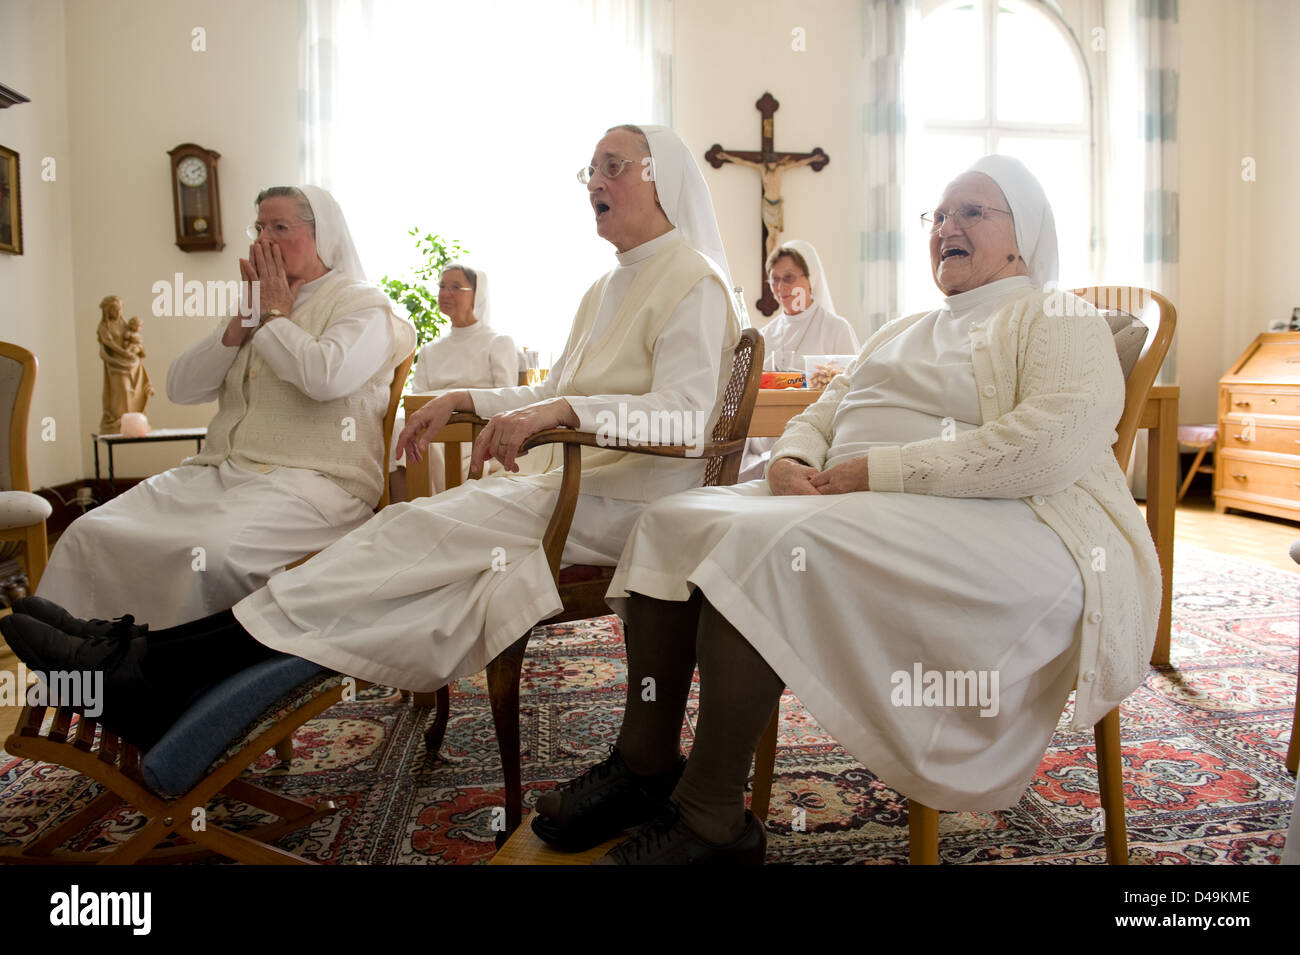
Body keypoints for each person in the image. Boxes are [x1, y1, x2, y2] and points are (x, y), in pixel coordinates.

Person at [3, 125, 742, 752]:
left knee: (388, 550)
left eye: (613, 167)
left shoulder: (694, 281)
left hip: (630, 498)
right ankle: (147, 665)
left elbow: (683, 419)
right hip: (568, 486)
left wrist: (555, 416)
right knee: (380, 559)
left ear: (665, 179)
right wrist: (468, 397)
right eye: (591, 169)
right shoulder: (606, 286)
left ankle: (148, 667)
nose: (594, 182)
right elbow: (551, 391)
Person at [530, 155, 1162, 864]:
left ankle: (711, 816)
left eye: (971, 213)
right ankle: (644, 765)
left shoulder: (1057, 315)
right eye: (939, 216)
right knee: (677, 520)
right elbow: (826, 408)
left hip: (1013, 520)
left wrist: (877, 471)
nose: (946, 228)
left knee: (763, 552)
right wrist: (798, 457)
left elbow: (1046, 447)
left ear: (1026, 235)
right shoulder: (904, 328)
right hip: (856, 499)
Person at [36, 186, 416, 629]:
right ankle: (83, 657)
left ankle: (180, 678)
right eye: (259, 227)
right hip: (217, 474)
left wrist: (274, 316)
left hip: (315, 486)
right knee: (89, 532)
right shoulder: (254, 305)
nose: (263, 240)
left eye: (279, 227)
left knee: (211, 554)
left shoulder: (363, 303)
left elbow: (324, 377)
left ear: (323, 236)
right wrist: (242, 323)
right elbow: (180, 386)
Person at [738, 240, 859, 481]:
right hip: (765, 439)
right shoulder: (764, 335)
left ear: (810, 279)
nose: (781, 287)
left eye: (789, 277)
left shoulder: (836, 329)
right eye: (775, 278)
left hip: (816, 437)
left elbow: (852, 389)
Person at [402, 263, 518, 492]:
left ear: (477, 294)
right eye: (442, 286)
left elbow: (506, 400)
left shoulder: (498, 342)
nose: (446, 294)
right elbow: (417, 401)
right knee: (403, 432)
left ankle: (429, 507)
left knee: (424, 443)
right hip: (431, 432)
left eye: (456, 287)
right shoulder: (429, 350)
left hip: (474, 434)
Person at [96, 294, 154, 434]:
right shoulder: (104, 327)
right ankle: (118, 421)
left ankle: (134, 423)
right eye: (114, 309)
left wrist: (137, 349)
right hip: (116, 364)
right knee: (122, 389)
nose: (118, 313)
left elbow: (135, 339)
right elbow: (108, 344)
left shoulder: (125, 324)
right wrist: (123, 352)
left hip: (132, 364)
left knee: (135, 392)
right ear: (107, 311)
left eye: (119, 309)